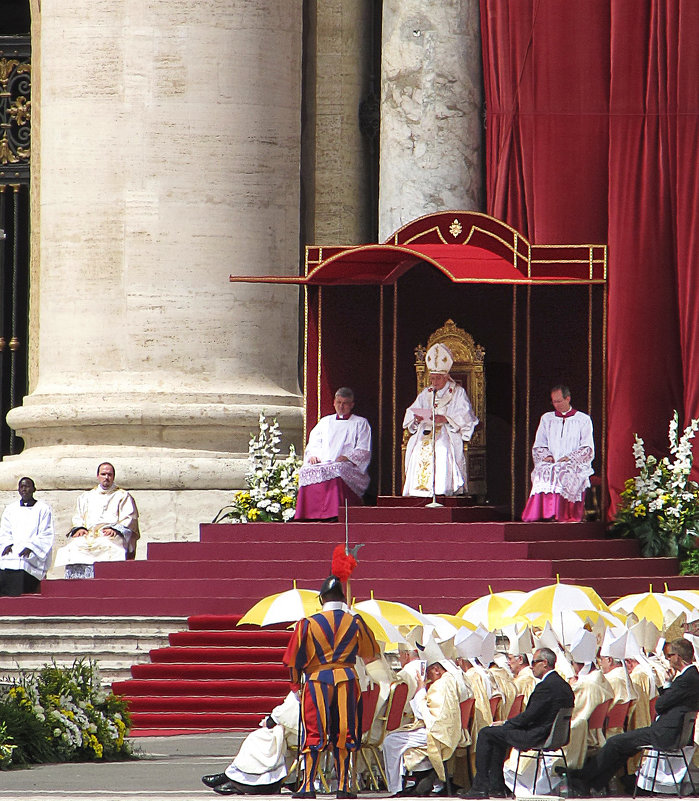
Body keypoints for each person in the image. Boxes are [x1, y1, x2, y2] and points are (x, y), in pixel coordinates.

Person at [283, 574, 380, 798]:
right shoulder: (356, 621)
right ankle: (344, 786)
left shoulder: (307, 623)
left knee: (314, 733)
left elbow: (293, 660)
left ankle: (307, 786)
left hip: (317, 681)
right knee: (345, 733)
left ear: (322, 598)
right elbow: (370, 652)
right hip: (346, 678)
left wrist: (296, 685)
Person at [562, 638, 699, 796]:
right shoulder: (692, 676)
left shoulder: (686, 679)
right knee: (622, 747)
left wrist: (667, 685)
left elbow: (660, 706)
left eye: (669, 656)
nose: (668, 660)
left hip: (665, 734)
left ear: (677, 657)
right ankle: (591, 782)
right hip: (671, 731)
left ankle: (586, 779)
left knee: (615, 742)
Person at [460, 647, 575, 799]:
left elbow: (529, 716)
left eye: (534, 662)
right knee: (496, 736)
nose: (531, 666)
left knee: (486, 733)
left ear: (545, 663)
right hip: (551, 734)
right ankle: (497, 786)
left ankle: (480, 786)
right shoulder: (563, 685)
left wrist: (505, 723)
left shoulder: (546, 687)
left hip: (537, 735)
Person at [382, 639, 465, 796]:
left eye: (428, 672)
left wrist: (420, 690)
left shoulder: (439, 686)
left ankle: (395, 787)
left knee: (391, 741)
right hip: (447, 731)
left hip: (437, 733)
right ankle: (422, 783)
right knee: (399, 739)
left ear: (436, 670)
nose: (426, 676)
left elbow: (428, 718)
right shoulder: (450, 681)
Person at [402, 343, 478, 497]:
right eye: (432, 378)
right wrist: (416, 418)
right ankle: (419, 492)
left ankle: (441, 490)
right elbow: (411, 411)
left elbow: (466, 415)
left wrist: (446, 418)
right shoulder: (427, 393)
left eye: (437, 378)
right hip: (425, 430)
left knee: (441, 450)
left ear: (445, 377)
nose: (434, 382)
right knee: (417, 450)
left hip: (447, 431)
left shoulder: (457, 392)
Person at [294, 388, 371, 521]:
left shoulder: (360, 423)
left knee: (337, 469)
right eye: (339, 402)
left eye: (345, 403)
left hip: (347, 464)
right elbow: (314, 443)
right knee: (306, 470)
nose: (341, 406)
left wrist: (348, 457)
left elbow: (364, 448)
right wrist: (313, 455)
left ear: (352, 405)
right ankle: (308, 514)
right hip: (323, 461)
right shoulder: (325, 422)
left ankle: (334, 513)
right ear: (334, 402)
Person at [201, 692, 300, 795]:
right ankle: (233, 776)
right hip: (294, 729)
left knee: (259, 738)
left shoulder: (311, 682)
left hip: (300, 733)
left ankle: (241, 782)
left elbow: (292, 709)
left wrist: (274, 718)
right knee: (264, 736)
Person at [54, 462, 140, 579]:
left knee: (108, 546)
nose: (106, 477)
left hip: (110, 534)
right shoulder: (86, 496)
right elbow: (78, 516)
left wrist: (115, 529)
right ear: (98, 476)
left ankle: (108, 582)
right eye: (103, 474)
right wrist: (80, 528)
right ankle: (77, 585)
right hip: (88, 534)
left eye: (109, 474)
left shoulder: (123, 496)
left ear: (113, 476)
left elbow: (129, 518)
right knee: (74, 546)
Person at [522, 384, 594, 522]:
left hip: (573, 463)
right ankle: (542, 514)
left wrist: (569, 458)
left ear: (568, 399)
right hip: (552, 461)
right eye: (553, 402)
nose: (556, 405)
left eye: (559, 401)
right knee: (542, 471)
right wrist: (547, 456)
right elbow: (539, 444)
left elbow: (587, 447)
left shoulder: (583, 419)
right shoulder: (547, 419)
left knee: (565, 472)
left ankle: (563, 514)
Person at [0, 477, 55, 596]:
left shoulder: (43, 509)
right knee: (6, 561)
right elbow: (5, 531)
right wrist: (7, 544)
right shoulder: (11, 509)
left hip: (33, 550)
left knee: (23, 560)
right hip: (13, 547)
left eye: (27, 486)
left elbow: (46, 533)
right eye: (21, 486)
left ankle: (19, 595)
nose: (24, 489)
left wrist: (32, 547)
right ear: (18, 490)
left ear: (34, 489)